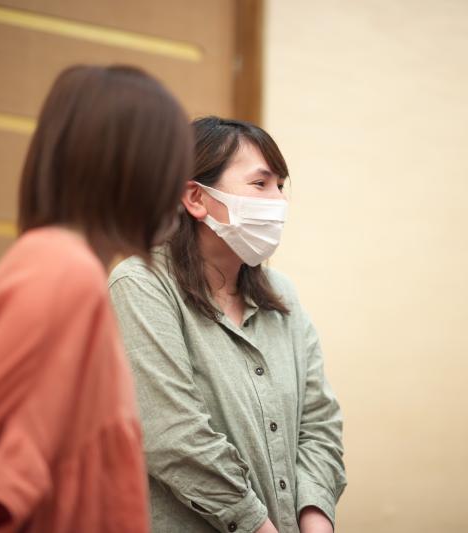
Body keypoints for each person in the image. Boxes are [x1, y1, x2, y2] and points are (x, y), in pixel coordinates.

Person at [0, 65, 193, 532]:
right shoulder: (66, 275)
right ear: (129, 170)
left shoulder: (51, 261)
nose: (179, 198)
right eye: (171, 171)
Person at [108, 116, 346, 533]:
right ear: (196, 198)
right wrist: (257, 525)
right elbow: (173, 436)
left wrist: (315, 522)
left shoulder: (283, 295)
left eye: (280, 186)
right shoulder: (140, 285)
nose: (278, 201)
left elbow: (319, 424)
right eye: (260, 184)